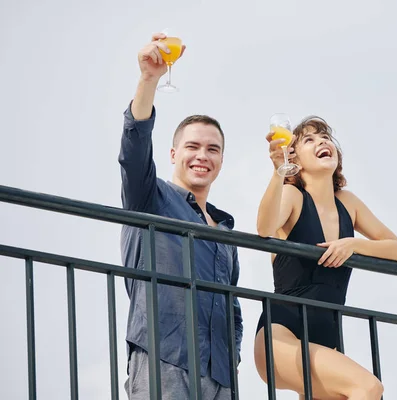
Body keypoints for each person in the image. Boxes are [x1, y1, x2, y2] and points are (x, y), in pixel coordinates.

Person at [119, 32, 243, 400]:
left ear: (221, 160)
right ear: (174, 154)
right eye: (192, 146)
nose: (202, 155)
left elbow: (232, 304)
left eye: (212, 149)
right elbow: (134, 148)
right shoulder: (150, 197)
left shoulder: (224, 230)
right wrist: (149, 80)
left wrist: (232, 356)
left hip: (220, 375)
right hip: (165, 359)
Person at [254, 116, 397, 399]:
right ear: (296, 160)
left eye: (325, 137)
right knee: (368, 387)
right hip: (281, 335)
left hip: (328, 341)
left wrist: (353, 244)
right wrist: (278, 172)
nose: (322, 141)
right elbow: (264, 229)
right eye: (309, 140)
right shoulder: (292, 195)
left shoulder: (348, 203)